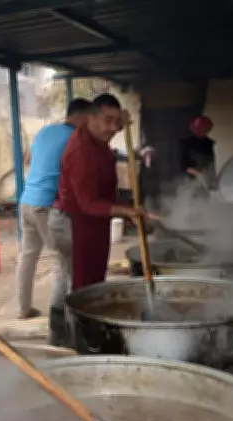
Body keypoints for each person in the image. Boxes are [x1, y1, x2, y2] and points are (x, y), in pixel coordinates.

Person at [54, 94, 146, 294]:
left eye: (116, 122)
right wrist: (127, 211)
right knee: (82, 286)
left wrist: (122, 120)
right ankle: (73, 315)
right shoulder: (80, 152)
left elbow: (114, 125)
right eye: (108, 120)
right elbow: (88, 204)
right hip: (77, 223)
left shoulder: (97, 133)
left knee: (96, 279)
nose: (113, 128)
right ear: (91, 117)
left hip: (96, 222)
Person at [16, 98, 91, 320]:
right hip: (46, 206)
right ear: (80, 117)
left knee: (27, 257)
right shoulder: (75, 137)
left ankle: (24, 309)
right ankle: (61, 317)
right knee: (62, 260)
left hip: (26, 201)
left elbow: (30, 159)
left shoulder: (45, 130)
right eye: (89, 119)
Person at [179, 115, 215, 188]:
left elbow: (211, 163)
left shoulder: (209, 143)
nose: (206, 133)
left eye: (208, 130)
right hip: (192, 182)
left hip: (208, 180)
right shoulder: (186, 144)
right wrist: (200, 174)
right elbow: (183, 166)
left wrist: (210, 177)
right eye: (204, 130)